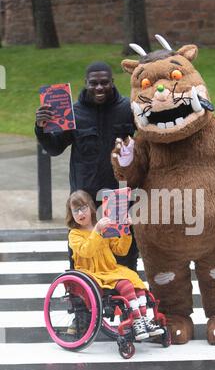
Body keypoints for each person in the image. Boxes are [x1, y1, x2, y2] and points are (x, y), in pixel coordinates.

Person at [35, 61, 138, 270]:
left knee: (122, 250)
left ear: (112, 82)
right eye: (94, 83)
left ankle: (124, 297)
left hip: (117, 192)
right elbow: (55, 148)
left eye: (104, 82)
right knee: (82, 249)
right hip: (84, 195)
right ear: (86, 83)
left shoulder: (127, 109)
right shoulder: (72, 112)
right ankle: (79, 297)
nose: (99, 87)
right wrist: (41, 128)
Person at [66, 190, 163, 340]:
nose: (80, 213)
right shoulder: (75, 234)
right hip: (92, 273)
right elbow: (86, 251)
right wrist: (97, 231)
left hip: (109, 269)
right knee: (125, 284)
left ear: (91, 207)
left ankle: (143, 319)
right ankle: (137, 320)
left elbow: (121, 250)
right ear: (71, 214)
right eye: (75, 210)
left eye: (83, 208)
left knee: (136, 281)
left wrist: (126, 231)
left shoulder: (105, 227)